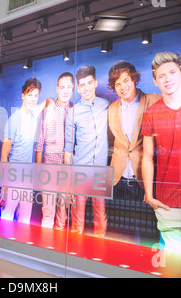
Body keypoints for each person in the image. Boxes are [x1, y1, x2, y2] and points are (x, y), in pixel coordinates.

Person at [107, 62, 161, 243]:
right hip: (118, 178)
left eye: (126, 80)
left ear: (135, 79)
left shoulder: (153, 100)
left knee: (148, 232)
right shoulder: (112, 108)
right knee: (119, 231)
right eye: (117, 84)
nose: (123, 87)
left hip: (143, 178)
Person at [141, 52, 181, 253]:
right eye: (161, 76)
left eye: (172, 72)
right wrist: (149, 195)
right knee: (174, 258)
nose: (167, 79)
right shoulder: (152, 113)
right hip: (165, 200)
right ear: (155, 81)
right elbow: (147, 157)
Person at [62, 65, 109, 237]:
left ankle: (99, 258)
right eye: (82, 85)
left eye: (89, 83)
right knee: (77, 222)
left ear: (95, 83)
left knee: (100, 220)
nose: (86, 88)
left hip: (101, 173)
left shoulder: (106, 105)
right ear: (78, 87)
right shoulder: (73, 113)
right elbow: (68, 151)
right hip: (80, 173)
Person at [0, 78, 49, 224]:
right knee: (7, 215)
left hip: (28, 176)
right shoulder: (14, 120)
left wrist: (51, 101)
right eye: (29, 95)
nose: (33, 99)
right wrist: (4, 185)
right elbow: (3, 154)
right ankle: (3, 245)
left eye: (35, 95)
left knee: (25, 217)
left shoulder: (33, 114)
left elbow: (46, 102)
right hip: (13, 175)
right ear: (22, 96)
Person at [34, 72, 74, 228]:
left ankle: (57, 248)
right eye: (62, 87)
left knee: (63, 212)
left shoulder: (74, 110)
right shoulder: (49, 107)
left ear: (73, 89)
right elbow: (40, 141)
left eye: (69, 87)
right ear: (57, 88)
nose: (65, 91)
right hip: (49, 164)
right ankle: (45, 248)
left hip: (67, 167)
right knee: (48, 211)